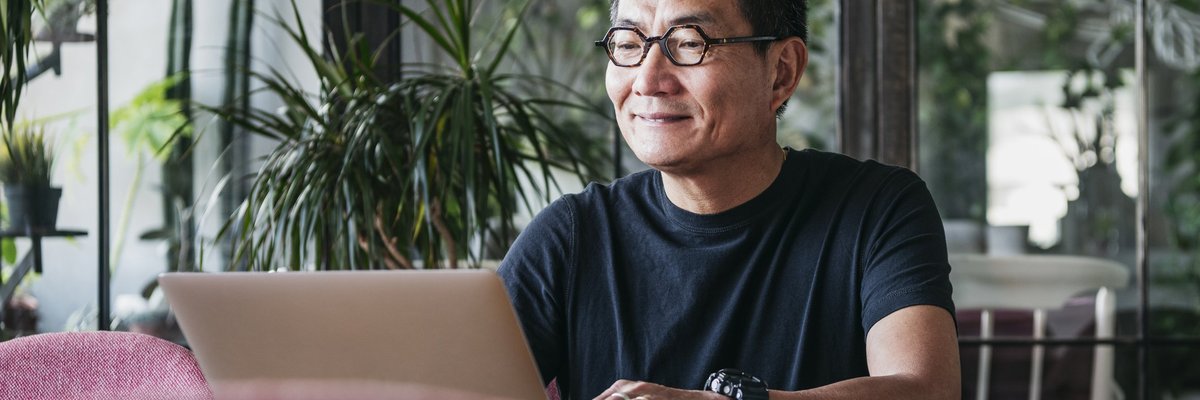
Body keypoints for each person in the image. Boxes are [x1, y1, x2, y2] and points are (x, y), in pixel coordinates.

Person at [497, 0, 960, 399]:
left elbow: (925, 389)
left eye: (689, 42)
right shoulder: (573, 235)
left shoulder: (878, 208)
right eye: (628, 43)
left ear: (781, 72)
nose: (648, 79)